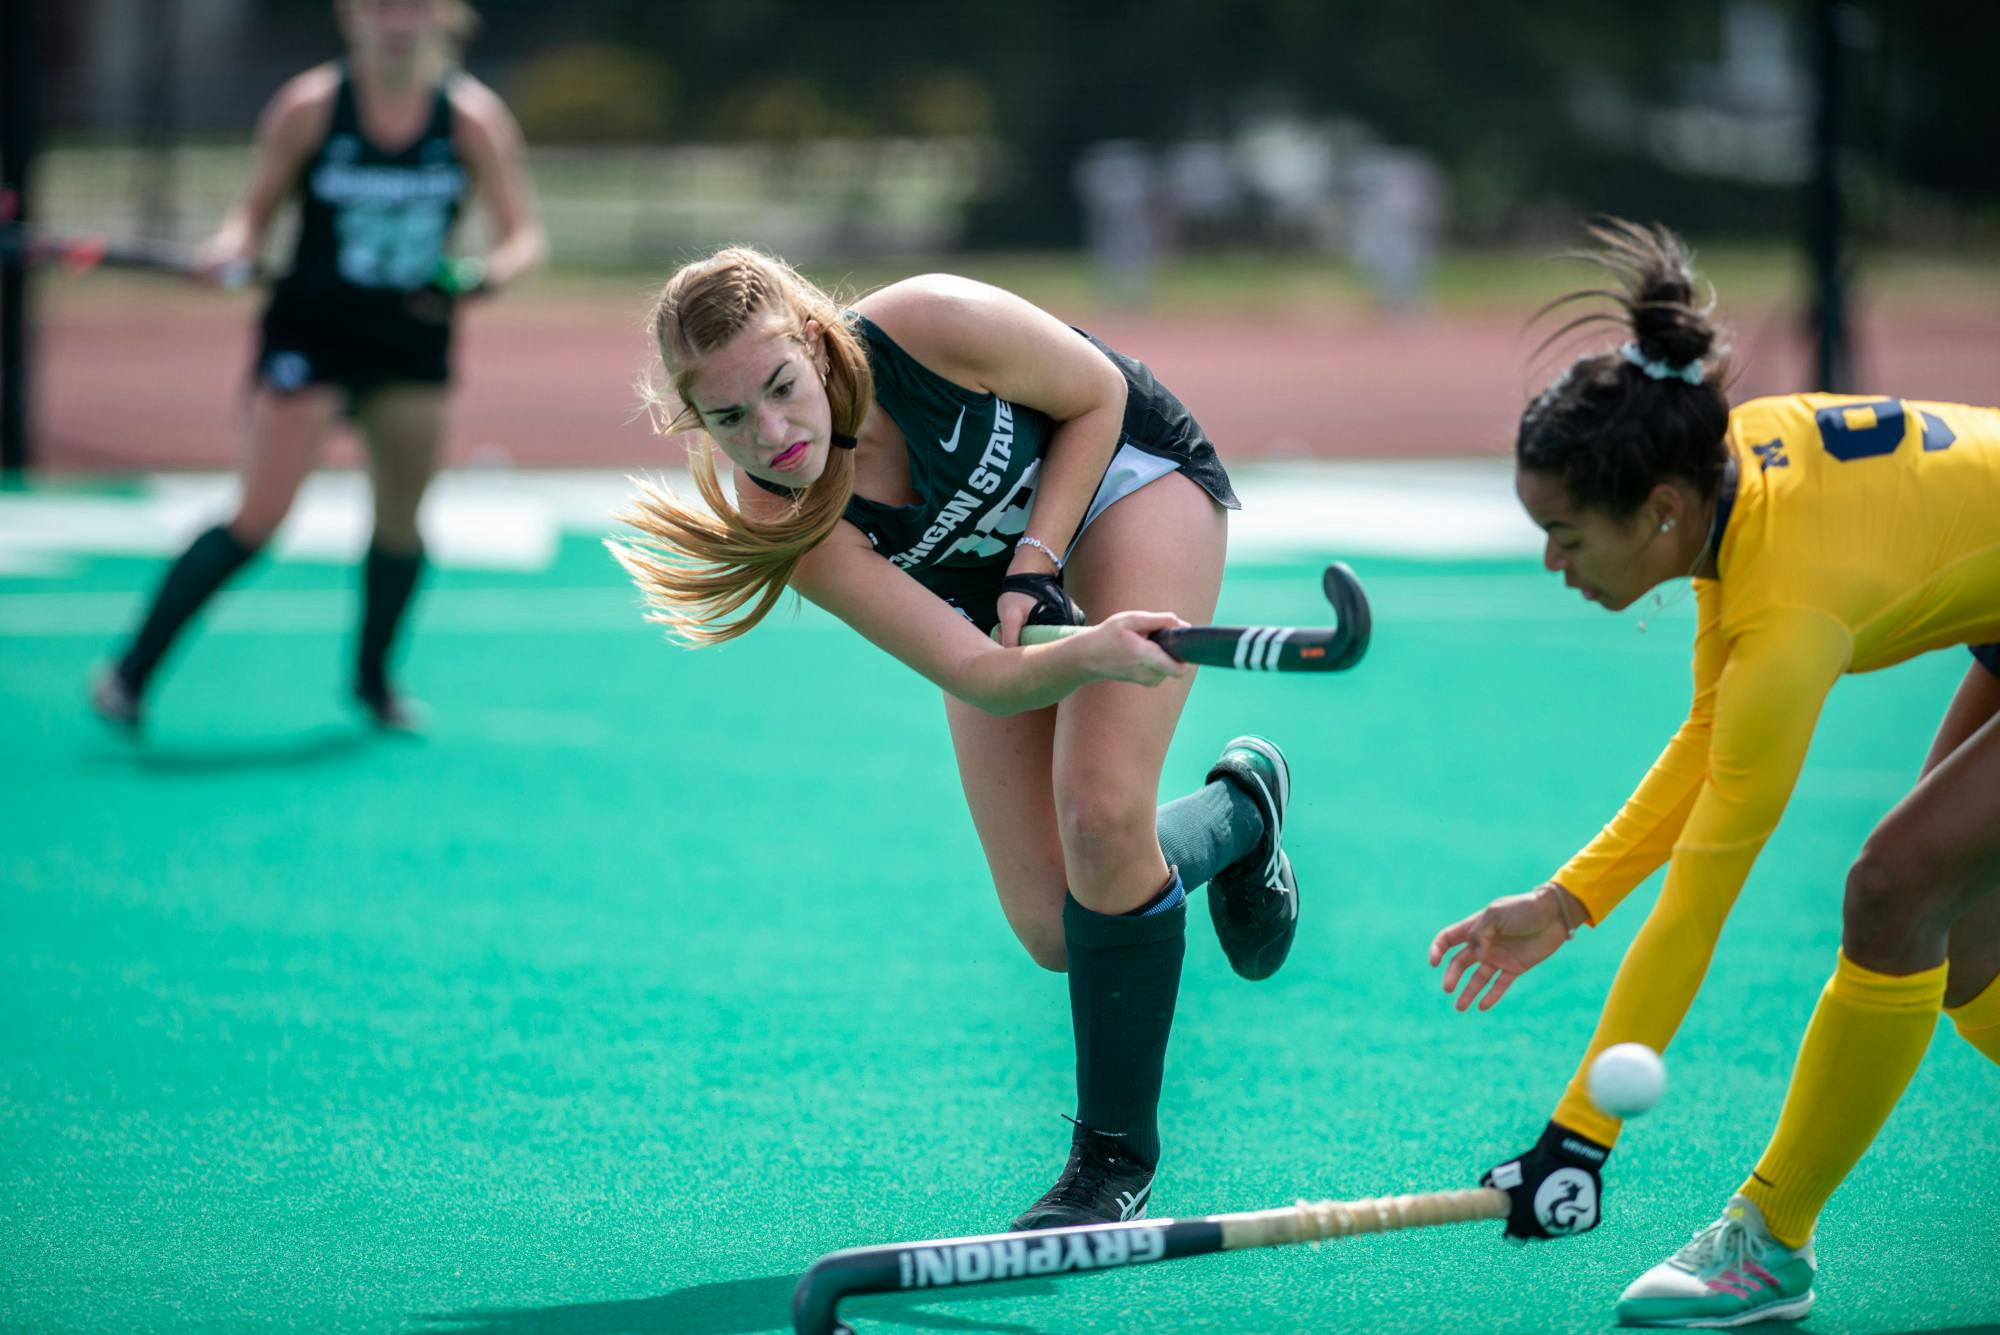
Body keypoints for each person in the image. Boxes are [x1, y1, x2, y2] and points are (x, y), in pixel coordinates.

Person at [608, 247, 1302, 1228]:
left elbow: (1097, 396)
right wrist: (1086, 645)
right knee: (1056, 928)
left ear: (814, 343)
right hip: (988, 611)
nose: (771, 433)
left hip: (1124, 482)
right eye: (730, 418)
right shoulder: (784, 513)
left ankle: (1109, 1164)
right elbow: (976, 672)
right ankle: (1240, 813)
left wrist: (1038, 556)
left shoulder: (927, 326)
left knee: (1100, 814)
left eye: (779, 388)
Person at [1429, 220, 2000, 1326]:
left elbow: (1700, 895)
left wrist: (1576, 1135)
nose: (1551, 564)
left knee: (1891, 891)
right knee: (1971, 940)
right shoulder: (1722, 485)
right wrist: (1567, 900)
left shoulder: (1783, 608)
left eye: (1565, 536)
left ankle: (1769, 1241)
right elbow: (1708, 737)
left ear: (1656, 513)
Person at [91, 0, 544, 731]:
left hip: (410, 343)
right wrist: (232, 246)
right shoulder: (307, 108)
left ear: (440, 17)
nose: (394, 21)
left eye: (411, 7)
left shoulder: (471, 119)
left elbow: (524, 237)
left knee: (401, 522)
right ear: (350, 16)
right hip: (311, 335)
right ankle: (128, 675)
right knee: (259, 515)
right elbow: (253, 215)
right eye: (377, 6)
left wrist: (486, 272)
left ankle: (371, 682)